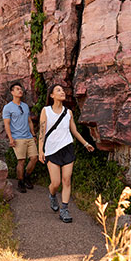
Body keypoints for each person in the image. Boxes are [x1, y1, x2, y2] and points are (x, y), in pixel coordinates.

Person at [38, 84, 94, 223]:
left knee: (67, 180)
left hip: (67, 148)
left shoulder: (68, 112)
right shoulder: (46, 111)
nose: (62, 92)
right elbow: (42, 132)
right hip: (51, 150)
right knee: (55, 183)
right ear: (51, 95)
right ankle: (52, 195)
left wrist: (85, 143)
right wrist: (40, 151)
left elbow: (74, 131)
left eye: (63, 90)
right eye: (58, 90)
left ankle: (64, 209)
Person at [2, 82, 38, 193]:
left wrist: (33, 134)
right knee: (21, 161)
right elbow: (7, 124)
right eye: (17, 89)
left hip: (29, 137)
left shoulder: (25, 106)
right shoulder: (8, 108)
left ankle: (26, 176)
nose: (20, 90)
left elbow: (29, 121)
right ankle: (20, 182)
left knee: (34, 158)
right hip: (18, 138)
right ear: (12, 92)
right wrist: (11, 138)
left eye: (21, 89)